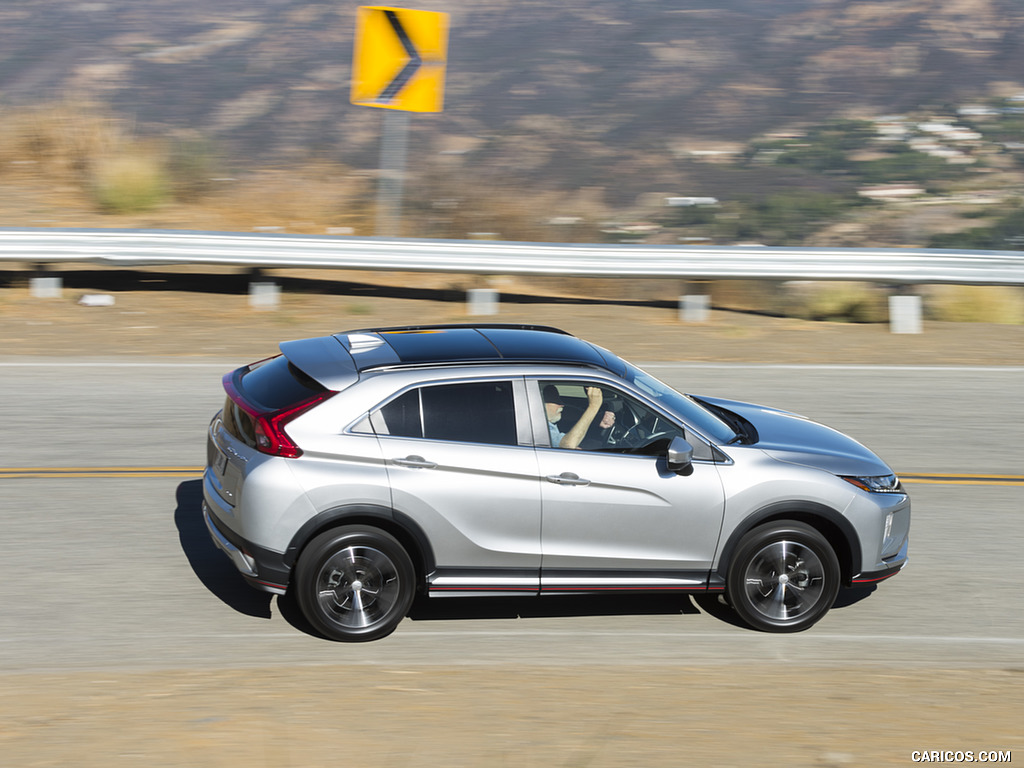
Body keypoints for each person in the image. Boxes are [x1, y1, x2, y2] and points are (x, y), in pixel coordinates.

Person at [543, 384, 615, 449]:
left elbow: (567, 412)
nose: (562, 404)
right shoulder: (538, 428)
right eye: (555, 400)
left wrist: (595, 418)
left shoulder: (544, 420)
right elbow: (568, 445)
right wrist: (593, 407)